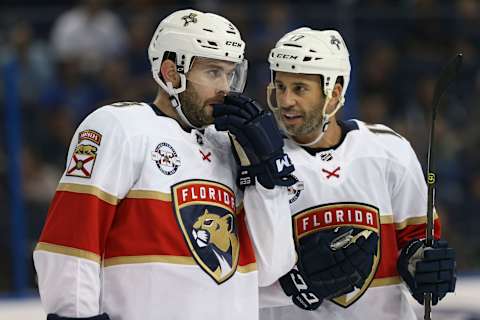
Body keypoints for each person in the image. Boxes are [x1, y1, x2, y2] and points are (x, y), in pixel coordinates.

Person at [33, 9, 297, 320]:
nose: (225, 87)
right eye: (213, 72)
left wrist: (267, 176)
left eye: (231, 73)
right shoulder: (120, 127)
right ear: (172, 73)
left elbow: (270, 268)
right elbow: (70, 241)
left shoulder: (234, 147)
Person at [257, 27, 456, 319]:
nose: (286, 101)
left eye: (299, 88)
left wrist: (423, 264)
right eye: (281, 87)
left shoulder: (389, 150)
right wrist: (294, 283)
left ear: (334, 93)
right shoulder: (260, 166)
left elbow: (416, 238)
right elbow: (238, 270)